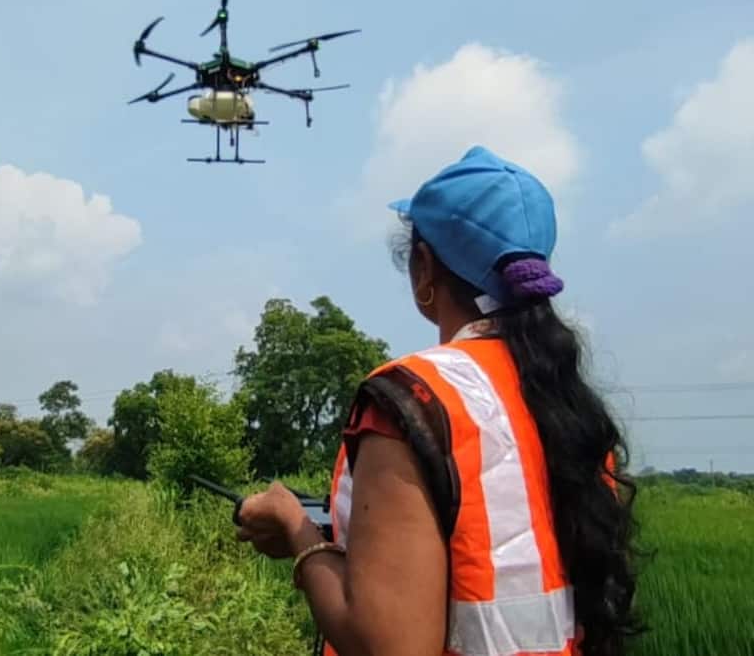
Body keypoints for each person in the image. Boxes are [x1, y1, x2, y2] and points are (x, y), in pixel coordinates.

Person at [236, 146, 642, 656]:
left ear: (424, 269)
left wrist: (296, 527)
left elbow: (389, 645)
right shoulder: (570, 406)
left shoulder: (413, 399)